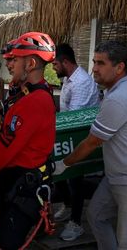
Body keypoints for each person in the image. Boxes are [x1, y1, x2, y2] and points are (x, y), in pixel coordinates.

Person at [54, 40, 127, 250]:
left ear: (120, 67)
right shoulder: (116, 90)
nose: (94, 68)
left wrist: (63, 164)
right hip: (118, 175)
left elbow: (93, 141)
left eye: (101, 63)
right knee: (96, 216)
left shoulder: (121, 97)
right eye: (94, 62)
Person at [0, 31, 57, 250]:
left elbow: (3, 152)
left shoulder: (34, 101)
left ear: (31, 63)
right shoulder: (29, 93)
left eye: (14, 59)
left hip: (22, 186)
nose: (8, 64)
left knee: (8, 243)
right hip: (17, 182)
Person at [50, 43, 100, 241]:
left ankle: (76, 223)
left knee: (74, 178)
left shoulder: (81, 82)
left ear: (65, 62)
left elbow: (74, 117)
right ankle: (69, 206)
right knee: (60, 174)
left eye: (55, 64)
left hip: (79, 137)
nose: (53, 68)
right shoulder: (70, 79)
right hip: (67, 135)